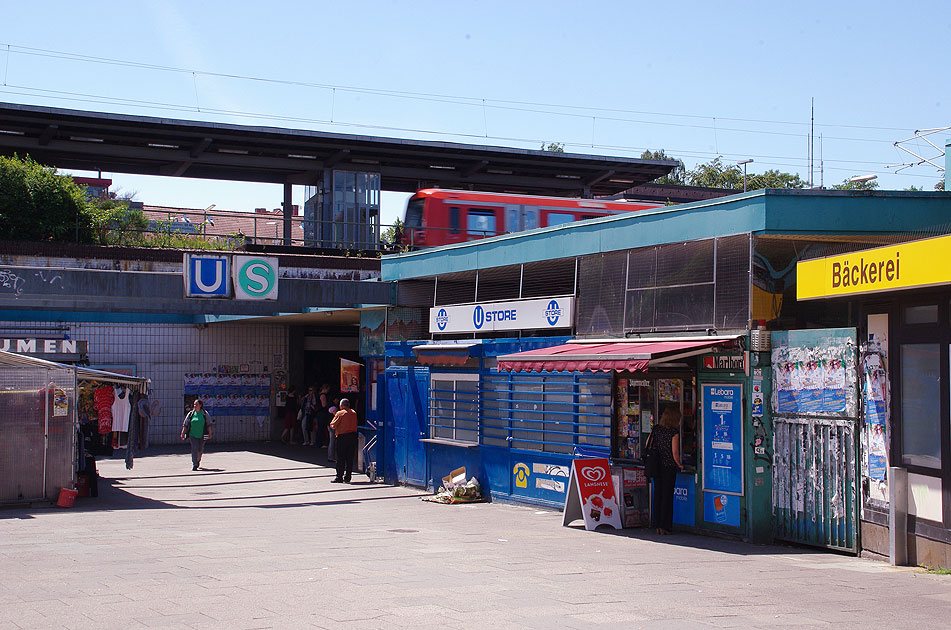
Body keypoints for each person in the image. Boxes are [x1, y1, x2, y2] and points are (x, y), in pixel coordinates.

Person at [650, 405, 682, 535]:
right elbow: (675, 452)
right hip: (669, 467)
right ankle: (665, 526)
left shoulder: (656, 429)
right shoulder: (673, 432)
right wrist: (679, 464)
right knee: (667, 497)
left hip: (656, 466)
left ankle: (657, 524)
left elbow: (648, 444)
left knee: (658, 494)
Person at [329, 398, 358, 483]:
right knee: (350, 457)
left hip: (342, 437)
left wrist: (335, 415)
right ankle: (348, 476)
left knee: (340, 457)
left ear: (341, 406)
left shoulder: (340, 413)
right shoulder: (353, 413)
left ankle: (339, 476)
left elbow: (333, 425)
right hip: (352, 436)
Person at [180, 399, 214, 471]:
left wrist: (210, 433)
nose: (195, 406)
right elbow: (185, 424)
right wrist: (183, 433)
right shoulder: (191, 414)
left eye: (196, 404)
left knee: (200, 449)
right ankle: (195, 463)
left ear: (200, 405)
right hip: (193, 434)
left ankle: (198, 460)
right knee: (194, 448)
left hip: (202, 434)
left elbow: (209, 424)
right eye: (194, 404)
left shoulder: (204, 414)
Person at [315, 383, 332, 449]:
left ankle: (318, 442)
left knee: (320, 428)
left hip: (319, 413)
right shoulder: (323, 396)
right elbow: (324, 405)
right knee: (321, 428)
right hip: (322, 413)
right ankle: (320, 443)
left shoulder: (318, 395)